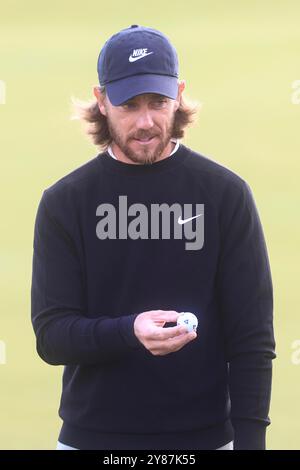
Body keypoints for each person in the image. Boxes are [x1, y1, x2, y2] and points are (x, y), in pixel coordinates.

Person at [31, 25, 276, 451]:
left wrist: (251, 443)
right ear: (101, 100)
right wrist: (130, 332)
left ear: (179, 94)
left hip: (205, 442)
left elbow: (252, 338)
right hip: (93, 442)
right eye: (129, 104)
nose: (146, 121)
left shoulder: (224, 195)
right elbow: (52, 336)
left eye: (158, 102)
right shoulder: (65, 202)